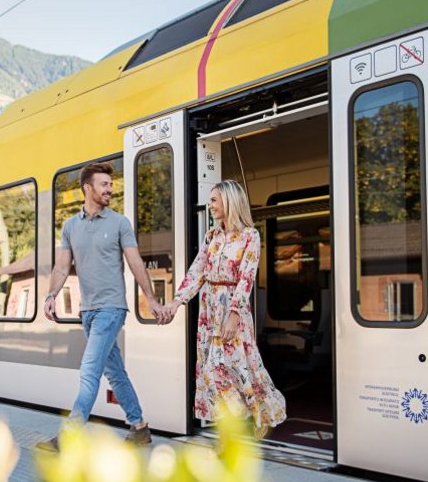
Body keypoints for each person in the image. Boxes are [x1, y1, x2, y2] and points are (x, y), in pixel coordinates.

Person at [38, 161, 170, 451]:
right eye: (104, 184)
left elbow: (135, 263)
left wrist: (150, 298)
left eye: (111, 184)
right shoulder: (70, 226)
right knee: (115, 372)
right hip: (88, 311)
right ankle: (139, 428)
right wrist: (50, 296)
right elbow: (61, 269)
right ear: (88, 188)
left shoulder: (119, 223)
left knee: (89, 369)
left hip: (111, 309)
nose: (110, 189)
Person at [163, 179, 286, 440]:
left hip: (233, 310)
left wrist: (233, 315)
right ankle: (256, 417)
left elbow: (246, 278)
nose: (211, 205)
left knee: (220, 369)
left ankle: (235, 428)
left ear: (230, 202)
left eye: (215, 200)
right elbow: (198, 271)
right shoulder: (212, 236)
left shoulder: (249, 236)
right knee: (234, 369)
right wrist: (178, 301)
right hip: (209, 310)